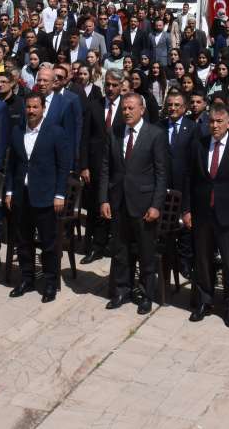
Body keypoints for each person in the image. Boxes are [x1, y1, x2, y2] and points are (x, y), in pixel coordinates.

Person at [182, 102, 229, 328]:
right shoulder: (198, 146)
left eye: (219, 121)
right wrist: (186, 209)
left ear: (228, 123)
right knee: (202, 259)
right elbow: (188, 180)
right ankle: (205, 301)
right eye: (211, 121)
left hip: (228, 215)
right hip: (202, 213)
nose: (214, 126)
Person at [99, 93, 168, 314]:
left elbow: (161, 173)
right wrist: (104, 199)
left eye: (130, 108)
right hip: (118, 202)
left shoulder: (155, 134)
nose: (126, 112)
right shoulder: (114, 132)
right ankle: (122, 290)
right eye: (124, 109)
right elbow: (106, 169)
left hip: (144, 205)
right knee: (120, 250)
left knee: (146, 253)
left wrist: (156, 205)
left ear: (142, 110)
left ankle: (147, 294)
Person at [6, 92, 71, 302]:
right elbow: (11, 165)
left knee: (48, 243)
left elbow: (63, 166)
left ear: (43, 108)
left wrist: (60, 193)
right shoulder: (16, 131)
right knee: (23, 241)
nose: (31, 111)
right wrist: (9, 191)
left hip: (46, 196)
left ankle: (50, 282)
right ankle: (27, 278)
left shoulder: (55, 132)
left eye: (35, 107)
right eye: (28, 107)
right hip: (21, 195)